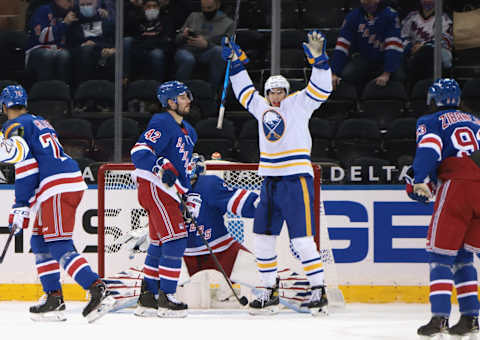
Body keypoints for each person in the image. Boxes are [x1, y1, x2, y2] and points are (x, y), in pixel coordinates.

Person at [221, 30, 330, 316]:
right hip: (269, 180)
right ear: (267, 93)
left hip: (296, 178)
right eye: (272, 91)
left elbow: (322, 89)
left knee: (302, 240)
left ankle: (318, 290)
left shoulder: (299, 104)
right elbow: (243, 91)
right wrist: (235, 63)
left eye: (280, 90)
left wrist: (320, 61)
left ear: (287, 91)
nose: (276, 95)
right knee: (262, 238)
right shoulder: (261, 107)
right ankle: (269, 289)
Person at [0, 85, 114, 323]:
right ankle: (53, 298)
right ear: (25, 104)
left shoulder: (13, 126)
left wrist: (21, 204)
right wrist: (23, 205)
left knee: (58, 243)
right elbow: (35, 163)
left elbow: (26, 167)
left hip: (57, 185)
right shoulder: (39, 121)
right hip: (59, 183)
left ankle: (96, 287)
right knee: (39, 241)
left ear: (3, 107)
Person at [405, 78, 480, 338]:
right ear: (458, 99)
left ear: (432, 99)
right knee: (463, 254)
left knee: (440, 255)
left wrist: (418, 179)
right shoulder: (476, 120)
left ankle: (439, 318)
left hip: (458, 185)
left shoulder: (431, 121)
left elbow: (429, 150)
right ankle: (470, 317)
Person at [130, 80, 197, 318]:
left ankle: (148, 298)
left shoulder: (190, 131)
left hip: (169, 193)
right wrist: (160, 165)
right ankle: (166, 298)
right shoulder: (161, 122)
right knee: (176, 241)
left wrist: (187, 193)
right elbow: (139, 152)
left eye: (188, 96)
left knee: (159, 242)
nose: (188, 100)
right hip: (156, 189)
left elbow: (184, 166)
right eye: (183, 97)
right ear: (170, 102)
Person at [330, 0, 405, 90]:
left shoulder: (390, 14)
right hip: (364, 58)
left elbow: (393, 45)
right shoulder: (353, 16)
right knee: (347, 74)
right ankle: (359, 101)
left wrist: (387, 73)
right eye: (363, 0)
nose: (366, 2)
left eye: (369, 1)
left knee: (399, 77)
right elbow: (342, 45)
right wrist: (333, 73)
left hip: (386, 58)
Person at [174, 0, 233, 91]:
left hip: (208, 52)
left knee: (219, 51)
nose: (206, 11)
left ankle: (212, 91)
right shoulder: (193, 16)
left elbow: (228, 47)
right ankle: (177, 91)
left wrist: (207, 45)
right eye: (203, 8)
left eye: (209, 8)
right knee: (188, 59)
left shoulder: (228, 23)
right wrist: (183, 35)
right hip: (187, 50)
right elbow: (177, 40)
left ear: (217, 5)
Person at [401, 0, 453, 86]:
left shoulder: (445, 18)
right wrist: (410, 46)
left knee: (427, 53)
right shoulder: (411, 17)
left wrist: (423, 46)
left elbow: (445, 40)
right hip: (413, 51)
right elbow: (402, 36)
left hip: (437, 52)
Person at [123, 0, 176, 82]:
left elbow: (167, 40)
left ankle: (157, 84)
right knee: (127, 41)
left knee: (157, 54)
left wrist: (148, 42)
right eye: (148, 6)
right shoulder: (138, 19)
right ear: (144, 8)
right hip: (141, 47)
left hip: (158, 48)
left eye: (154, 6)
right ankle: (125, 78)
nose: (152, 9)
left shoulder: (166, 19)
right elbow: (135, 36)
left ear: (159, 7)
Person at [66, 0, 116, 86]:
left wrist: (112, 49)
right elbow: (69, 47)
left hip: (104, 50)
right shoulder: (74, 23)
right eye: (83, 5)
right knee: (87, 49)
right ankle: (83, 87)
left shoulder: (105, 20)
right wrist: (83, 45)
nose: (86, 7)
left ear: (96, 4)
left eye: (89, 4)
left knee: (114, 54)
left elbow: (113, 39)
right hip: (82, 53)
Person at [26, 0, 76, 83]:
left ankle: (63, 90)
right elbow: (42, 37)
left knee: (64, 55)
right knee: (48, 55)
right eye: (68, 1)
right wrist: (64, 24)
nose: (71, 3)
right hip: (38, 49)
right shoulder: (43, 10)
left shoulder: (72, 12)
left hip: (61, 49)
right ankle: (44, 90)